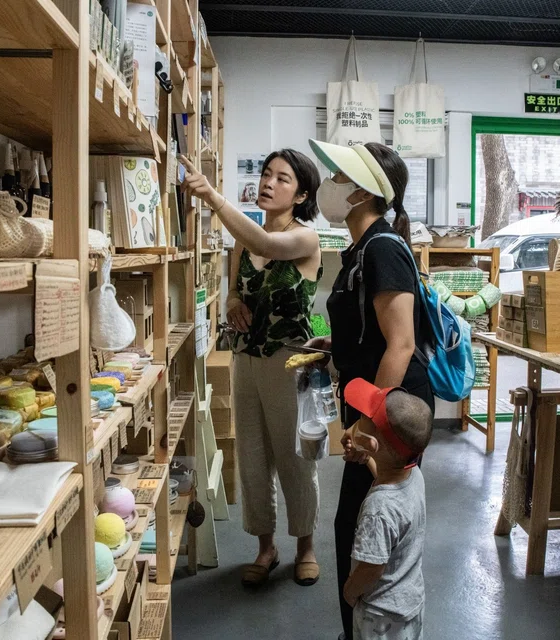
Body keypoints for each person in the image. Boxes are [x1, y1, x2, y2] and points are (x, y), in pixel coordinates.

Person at [305, 139, 435, 639]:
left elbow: (400, 345)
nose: (329, 185)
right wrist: (335, 347)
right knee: (360, 523)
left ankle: (366, 626)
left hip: (390, 414)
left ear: (362, 192)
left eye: (338, 177)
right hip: (374, 405)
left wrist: (365, 427)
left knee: (362, 526)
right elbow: (373, 331)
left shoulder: (382, 247)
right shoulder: (362, 248)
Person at [181, 150, 324, 587]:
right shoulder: (243, 238)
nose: (268, 182)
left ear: (300, 195)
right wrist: (232, 302)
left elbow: (268, 246)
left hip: (290, 360)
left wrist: (212, 198)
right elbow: (230, 291)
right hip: (246, 355)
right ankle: (266, 546)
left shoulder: (305, 239)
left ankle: (305, 546)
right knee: (252, 456)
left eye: (282, 179)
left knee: (296, 456)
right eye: (266, 174)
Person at [342, 378, 431, 640]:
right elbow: (386, 473)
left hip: (379, 615)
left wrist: (350, 590)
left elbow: (372, 567)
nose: (360, 417)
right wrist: (368, 458)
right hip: (408, 603)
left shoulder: (378, 509)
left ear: (371, 442)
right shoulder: (413, 475)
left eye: (364, 417)